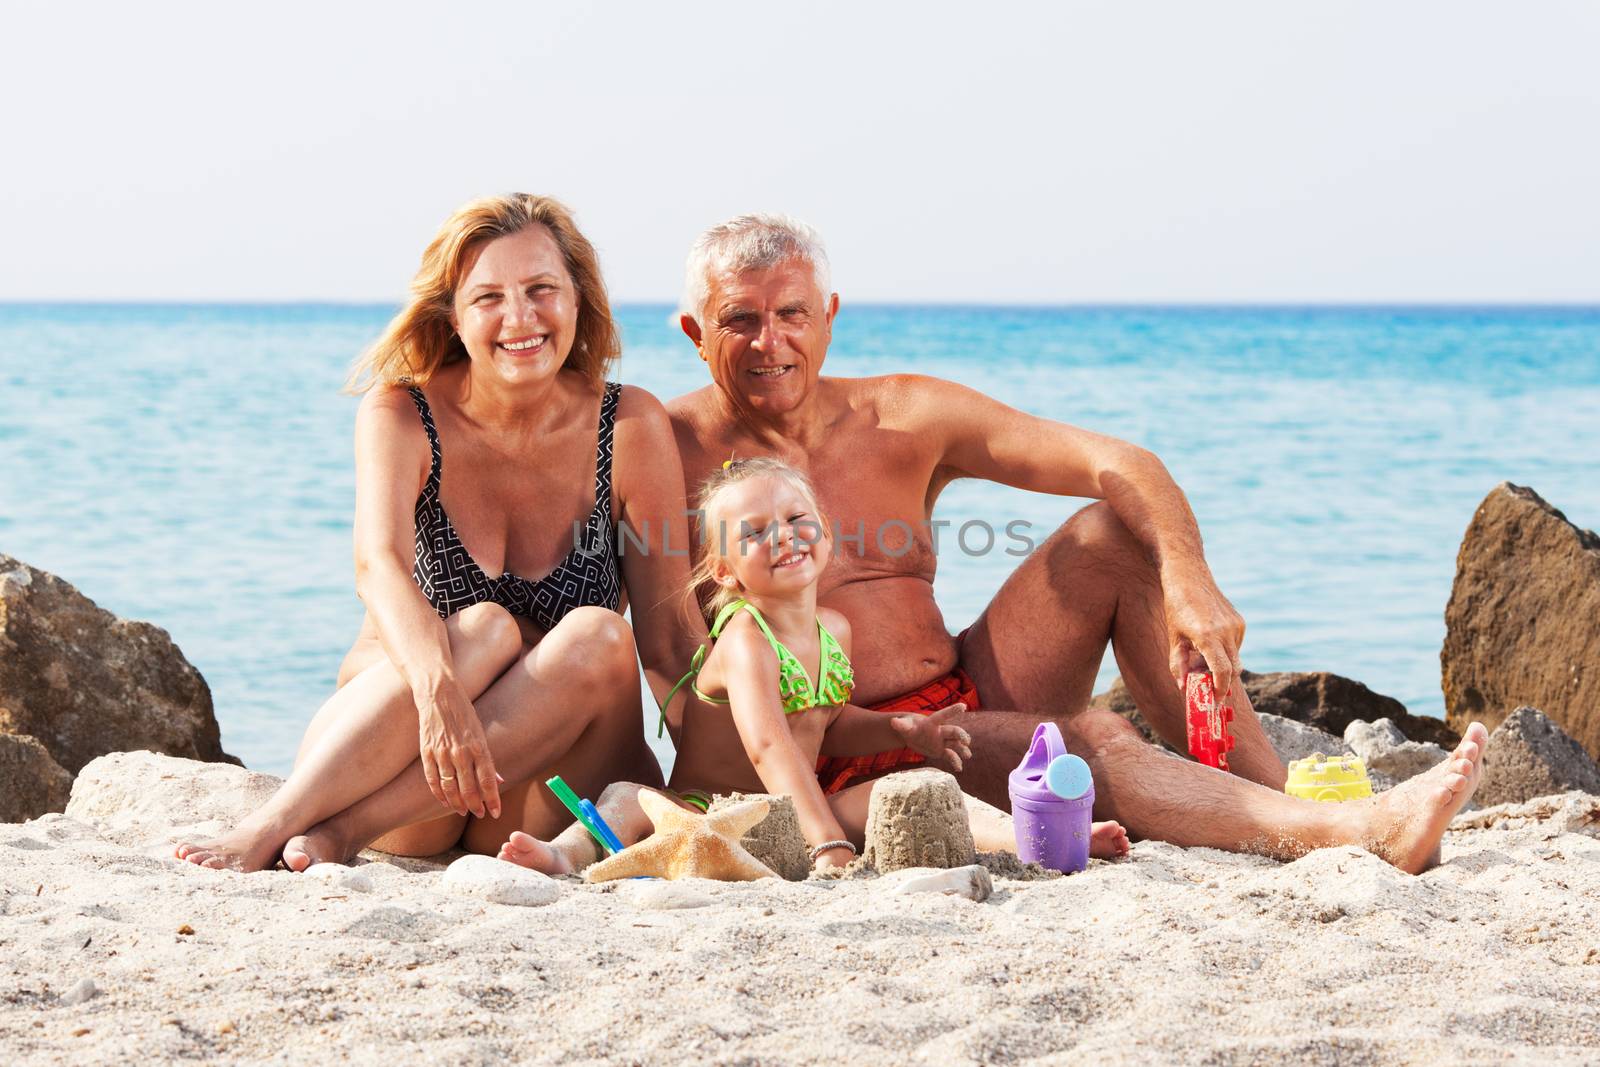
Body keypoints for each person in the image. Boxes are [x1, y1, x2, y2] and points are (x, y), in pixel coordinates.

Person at [664, 213, 1488, 873]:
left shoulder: (903, 414)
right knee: (1091, 743)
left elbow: (1118, 462)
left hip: (955, 686)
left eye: (791, 313)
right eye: (741, 320)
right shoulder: (668, 448)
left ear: (829, 316)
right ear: (696, 333)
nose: (772, 341)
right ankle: (1356, 833)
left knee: (1111, 537)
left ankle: (1274, 794)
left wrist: (1190, 579)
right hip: (842, 749)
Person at [175, 194, 698, 872]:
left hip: (532, 800)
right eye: (489, 297)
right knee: (483, 628)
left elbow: (668, 638)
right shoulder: (401, 414)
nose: (520, 318)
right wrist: (439, 691)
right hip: (403, 764)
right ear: (452, 313)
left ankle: (342, 831)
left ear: (578, 300)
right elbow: (378, 566)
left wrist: (719, 774)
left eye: (542, 289)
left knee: (599, 634)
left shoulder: (629, 424)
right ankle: (276, 818)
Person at [497, 458, 1129, 875]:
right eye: (754, 533)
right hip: (708, 812)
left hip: (796, 810)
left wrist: (901, 730)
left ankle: (1040, 843)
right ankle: (562, 857)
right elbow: (771, 743)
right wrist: (827, 841)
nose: (783, 536)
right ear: (724, 573)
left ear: (826, 535)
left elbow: (824, 724)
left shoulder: (836, 629)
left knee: (916, 791)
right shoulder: (744, 637)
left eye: (797, 519)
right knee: (625, 798)